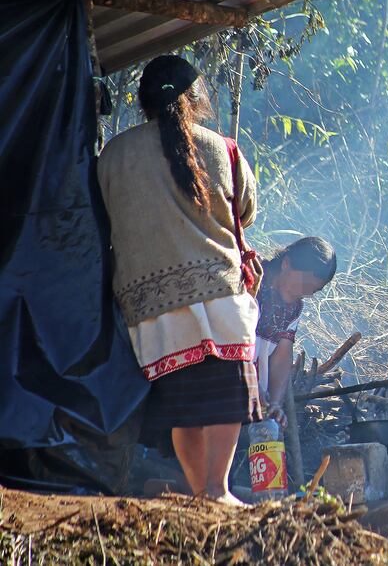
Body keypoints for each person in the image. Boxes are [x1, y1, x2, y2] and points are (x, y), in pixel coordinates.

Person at [97, 55, 260, 505]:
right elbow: (244, 210)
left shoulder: (112, 156)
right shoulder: (221, 147)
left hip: (148, 305)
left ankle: (198, 492)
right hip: (219, 294)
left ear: (143, 102)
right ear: (194, 99)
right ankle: (219, 490)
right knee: (225, 397)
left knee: (182, 403)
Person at [254, 237, 337, 427]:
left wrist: (274, 404)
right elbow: (235, 339)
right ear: (286, 264)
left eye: (313, 290)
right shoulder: (252, 278)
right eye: (304, 284)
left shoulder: (294, 308)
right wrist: (252, 386)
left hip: (255, 400)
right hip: (225, 383)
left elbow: (282, 356)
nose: (305, 294)